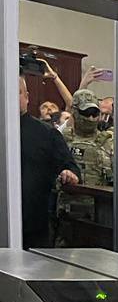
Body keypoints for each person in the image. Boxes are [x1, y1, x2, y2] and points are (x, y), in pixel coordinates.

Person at [19, 75, 80, 249]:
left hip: (33, 226)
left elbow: (70, 167)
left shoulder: (46, 134)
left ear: (27, 97)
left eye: (17, 92)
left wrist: (69, 173)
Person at [55, 88, 115, 244]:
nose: (90, 118)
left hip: (99, 219)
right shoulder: (61, 140)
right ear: (75, 112)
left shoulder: (109, 143)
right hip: (67, 219)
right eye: (86, 113)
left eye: (94, 113)